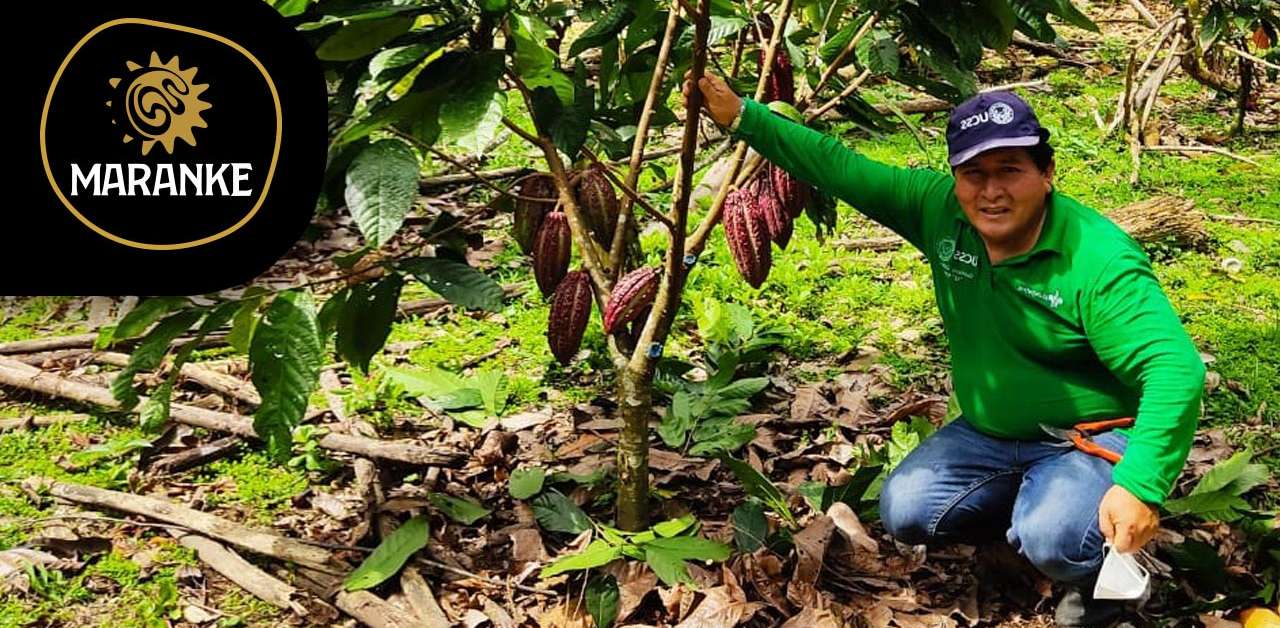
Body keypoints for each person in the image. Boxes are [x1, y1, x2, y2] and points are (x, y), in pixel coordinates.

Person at [685, 72, 1206, 627]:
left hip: (1093, 437)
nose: (992, 191)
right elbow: (840, 167)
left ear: (1047, 173)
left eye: (1010, 170)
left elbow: (1175, 368)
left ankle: (1101, 577)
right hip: (993, 433)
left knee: (1055, 537)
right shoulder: (941, 213)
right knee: (908, 510)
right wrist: (742, 116)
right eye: (973, 173)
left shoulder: (1097, 260)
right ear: (955, 178)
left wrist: (1140, 486)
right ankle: (1030, 528)